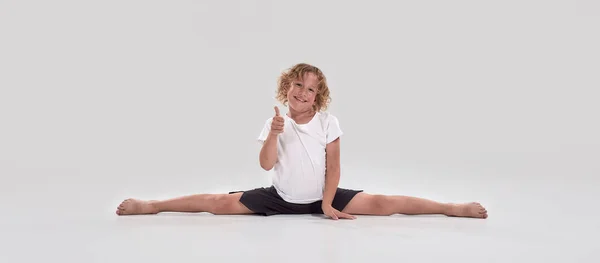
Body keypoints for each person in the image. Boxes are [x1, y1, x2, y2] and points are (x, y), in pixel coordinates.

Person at [116, 63, 488, 220]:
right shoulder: (275, 122)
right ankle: (153, 205)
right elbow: (265, 164)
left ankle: (450, 208)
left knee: (385, 201)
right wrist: (274, 134)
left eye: (311, 89)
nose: (303, 93)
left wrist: (327, 204)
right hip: (280, 198)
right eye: (297, 85)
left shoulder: (328, 122)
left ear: (318, 97)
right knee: (216, 203)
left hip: (322, 199)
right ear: (287, 87)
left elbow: (335, 166)